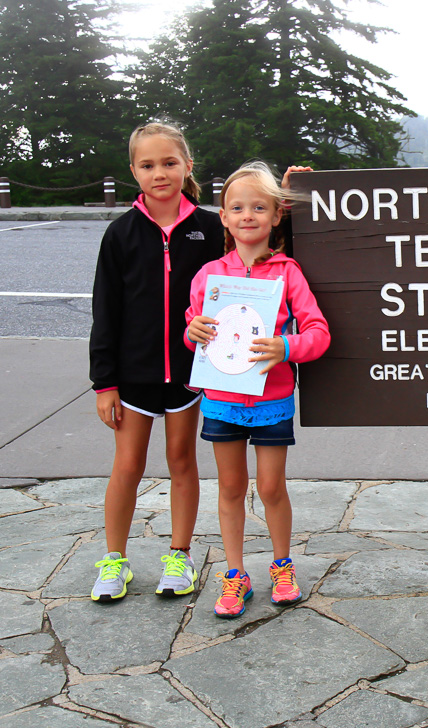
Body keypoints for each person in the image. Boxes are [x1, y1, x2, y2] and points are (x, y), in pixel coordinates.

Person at [185, 161, 330, 619]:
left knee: (270, 486)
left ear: (275, 216)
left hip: (272, 400)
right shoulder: (209, 277)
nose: (248, 215)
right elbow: (193, 336)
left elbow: (318, 333)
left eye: (259, 207)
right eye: (237, 207)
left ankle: (282, 565)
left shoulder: (289, 273)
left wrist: (286, 346)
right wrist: (195, 331)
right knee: (230, 486)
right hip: (222, 399)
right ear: (223, 217)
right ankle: (234, 574)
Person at [89, 122, 223, 601]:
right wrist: (104, 383)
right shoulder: (120, 234)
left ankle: (180, 556)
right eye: (148, 165)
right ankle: (114, 560)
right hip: (133, 377)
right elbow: (105, 312)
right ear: (133, 172)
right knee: (127, 466)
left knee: (181, 460)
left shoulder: (212, 228)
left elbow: (260, 245)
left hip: (190, 375)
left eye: (169, 162)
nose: (159, 173)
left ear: (187, 165)